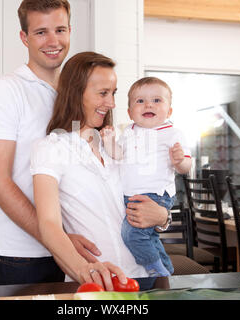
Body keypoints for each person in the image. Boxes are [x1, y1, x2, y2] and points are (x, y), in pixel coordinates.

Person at [0, 0, 102, 286]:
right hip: (22, 256)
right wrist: (59, 239)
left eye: (60, 29)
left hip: (77, 250)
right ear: (24, 37)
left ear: (70, 31)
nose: (53, 41)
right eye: (40, 32)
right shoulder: (6, 90)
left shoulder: (76, 95)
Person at [30, 52, 172, 291]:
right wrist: (83, 269)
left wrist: (163, 218)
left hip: (146, 279)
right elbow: (49, 224)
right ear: (76, 93)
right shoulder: (51, 148)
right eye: (103, 93)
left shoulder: (119, 144)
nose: (112, 103)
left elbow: (154, 199)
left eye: (114, 93)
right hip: (96, 284)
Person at [100, 77, 192, 277]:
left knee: (132, 234)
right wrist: (109, 141)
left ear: (169, 111)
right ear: (130, 112)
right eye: (140, 101)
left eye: (157, 100)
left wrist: (179, 161)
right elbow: (118, 155)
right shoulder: (129, 132)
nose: (148, 104)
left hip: (155, 195)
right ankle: (166, 270)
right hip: (130, 194)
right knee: (149, 237)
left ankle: (156, 271)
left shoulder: (172, 133)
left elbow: (186, 167)